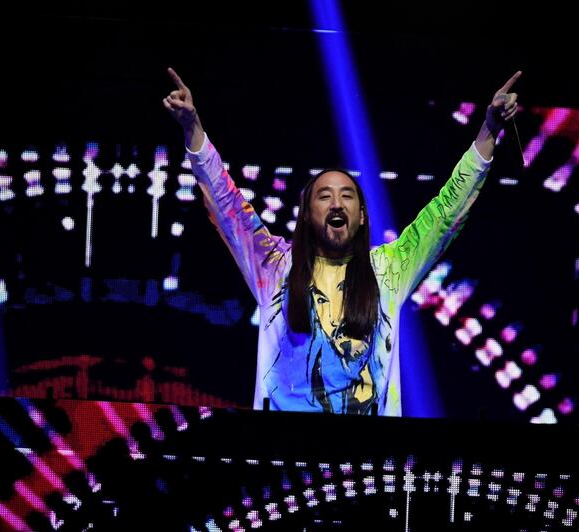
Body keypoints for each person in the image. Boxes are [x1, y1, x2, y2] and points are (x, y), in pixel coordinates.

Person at [163, 67, 520, 415]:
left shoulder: (388, 269)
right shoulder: (274, 266)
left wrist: (489, 131)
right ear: (306, 214)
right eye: (325, 196)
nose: (336, 203)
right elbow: (227, 206)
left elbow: (444, 215)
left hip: (363, 469)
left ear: (362, 215)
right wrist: (193, 129)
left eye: (347, 195)